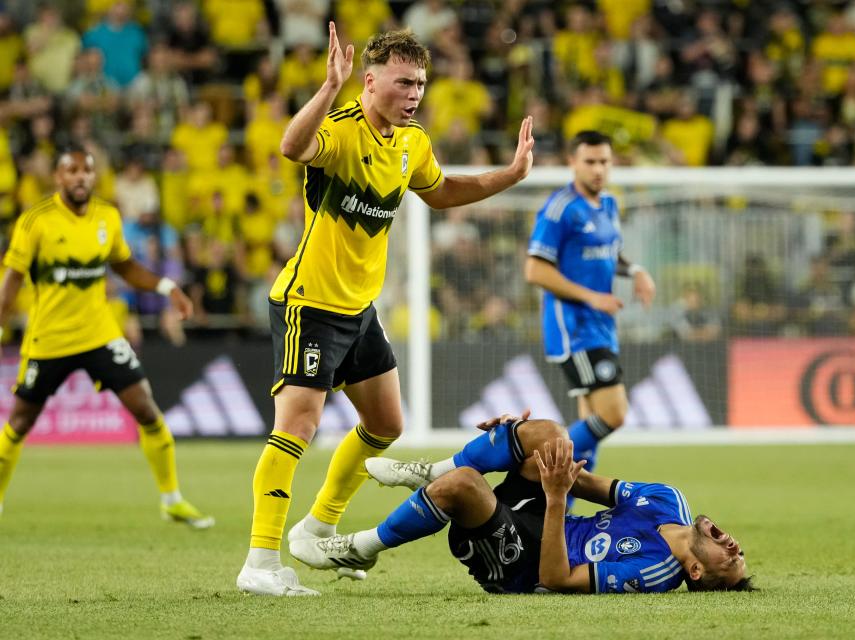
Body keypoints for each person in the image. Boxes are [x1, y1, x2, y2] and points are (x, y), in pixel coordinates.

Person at [236, 22, 535, 597]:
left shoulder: (411, 142)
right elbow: (292, 147)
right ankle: (260, 562)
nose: (414, 94)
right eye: (403, 83)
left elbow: (442, 191)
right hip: (309, 303)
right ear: (368, 82)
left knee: (386, 425)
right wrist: (328, 89)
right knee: (296, 425)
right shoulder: (342, 130)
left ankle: (317, 526)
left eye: (420, 83)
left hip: (358, 310)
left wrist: (511, 175)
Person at [291, 413, 754, 594]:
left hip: (527, 565)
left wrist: (555, 500)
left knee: (465, 485)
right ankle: (430, 470)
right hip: (543, 514)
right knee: (552, 437)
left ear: (695, 571)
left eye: (728, 561)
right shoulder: (668, 500)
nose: (734, 548)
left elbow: (556, 578)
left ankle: (361, 547)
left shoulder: (655, 573)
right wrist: (523, 446)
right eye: (739, 551)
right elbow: (584, 482)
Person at [0, 144, 212, 528]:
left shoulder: (107, 216)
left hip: (99, 333)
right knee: (19, 423)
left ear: (95, 176)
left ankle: (172, 499)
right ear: (58, 177)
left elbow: (125, 266)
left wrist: (168, 288)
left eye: (87, 170)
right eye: (71, 170)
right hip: (49, 338)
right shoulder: (36, 221)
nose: (80, 177)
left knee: (146, 410)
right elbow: (12, 279)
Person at [524, 130, 655, 478]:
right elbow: (535, 269)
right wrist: (591, 296)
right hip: (574, 328)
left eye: (604, 162)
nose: (598, 169)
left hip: (601, 327)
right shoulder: (560, 209)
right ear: (573, 163)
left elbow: (610, 254)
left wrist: (636, 271)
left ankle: (560, 515)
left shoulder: (609, 204)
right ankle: (532, 473)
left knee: (589, 432)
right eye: (590, 162)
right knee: (615, 414)